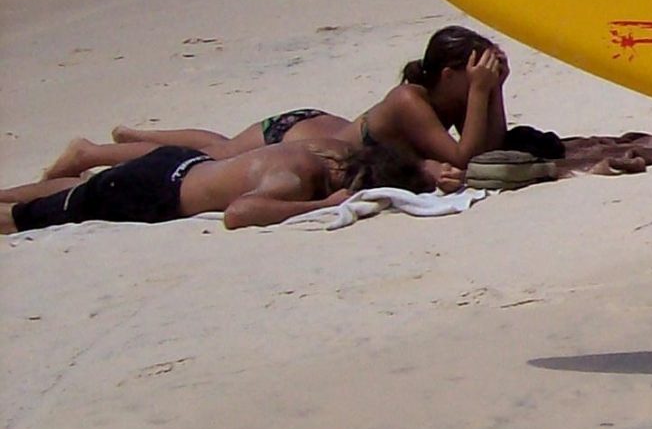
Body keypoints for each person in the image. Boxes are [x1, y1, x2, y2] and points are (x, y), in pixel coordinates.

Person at [65, 26, 511, 185]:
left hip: (325, 130)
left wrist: (496, 91)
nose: (481, 79)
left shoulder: (453, 96)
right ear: (450, 76)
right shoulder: (408, 100)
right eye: (475, 72)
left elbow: (490, 148)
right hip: (297, 138)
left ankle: (136, 136)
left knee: (220, 147)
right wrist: (480, 93)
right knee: (214, 157)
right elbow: (464, 157)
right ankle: (92, 153)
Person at [3, 138, 430, 234]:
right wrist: (320, 206)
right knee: (30, 218)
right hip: (157, 190)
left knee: (70, 194)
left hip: (181, 163)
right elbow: (239, 213)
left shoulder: (319, 152)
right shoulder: (298, 179)